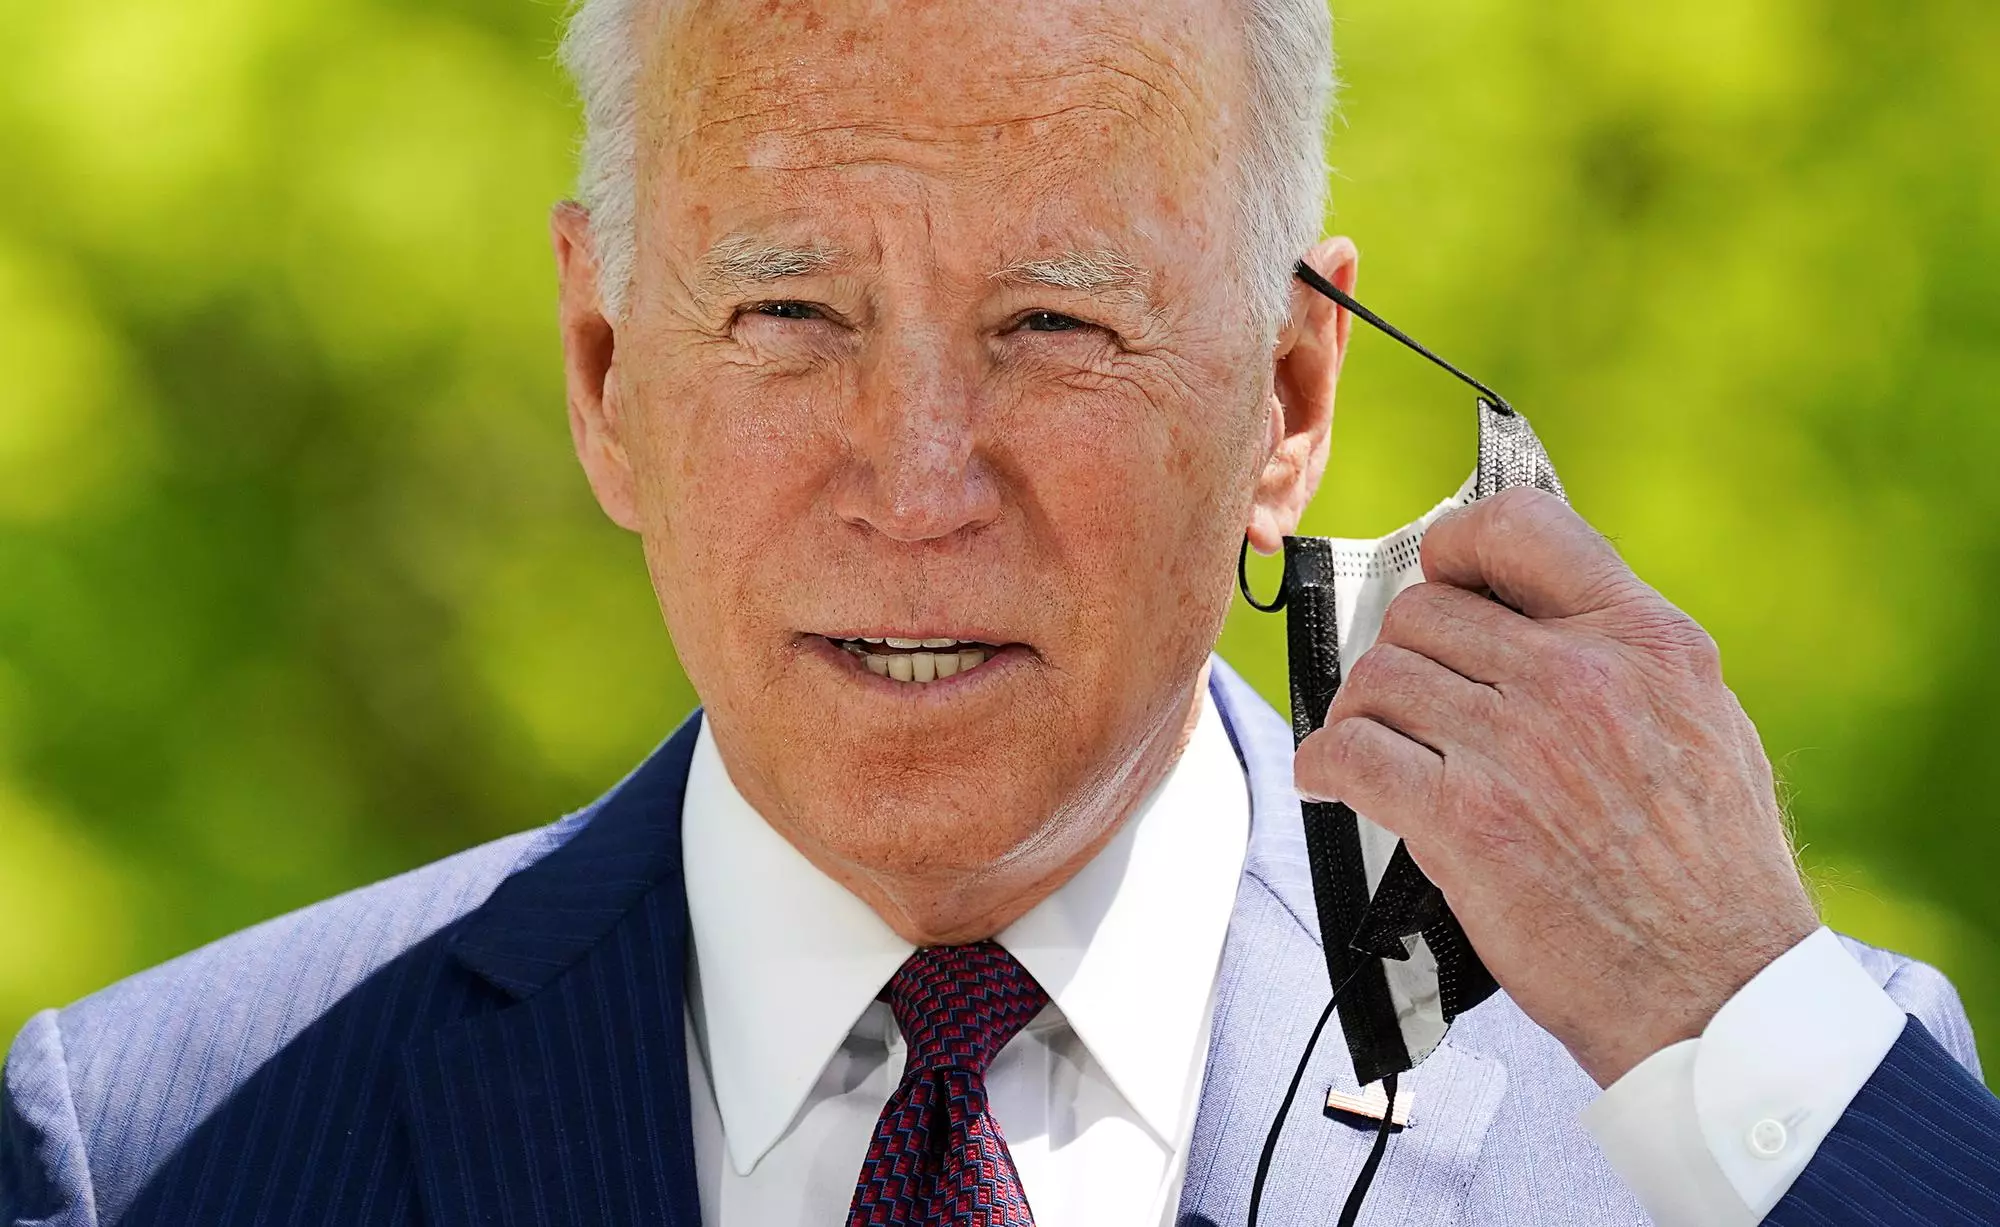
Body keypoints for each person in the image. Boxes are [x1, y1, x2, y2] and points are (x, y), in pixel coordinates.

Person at [3, 0, 1996, 1224]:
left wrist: (1748, 1034)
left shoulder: (1736, 1106)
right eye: (791, 311)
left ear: (1288, 397)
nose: (916, 477)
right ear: (606, 369)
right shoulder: (143, 1151)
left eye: (1053, 323)